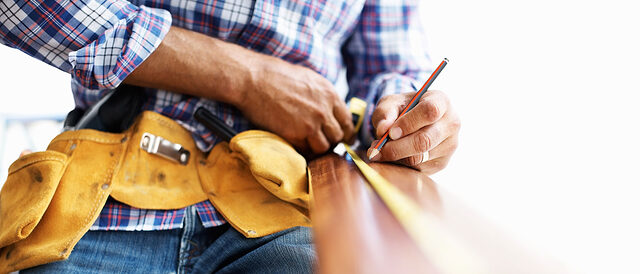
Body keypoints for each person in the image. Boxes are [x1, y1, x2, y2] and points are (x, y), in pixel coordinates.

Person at [0, 0, 460, 272]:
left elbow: (389, 70)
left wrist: (407, 115)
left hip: (283, 208)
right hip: (106, 201)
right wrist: (247, 78)